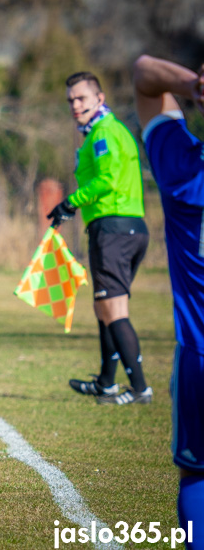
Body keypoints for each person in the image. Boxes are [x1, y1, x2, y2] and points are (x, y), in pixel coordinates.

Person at [132, 54, 204, 548]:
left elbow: (142, 73)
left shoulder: (183, 170)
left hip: (200, 357)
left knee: (197, 474)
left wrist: (195, 82)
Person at [49, 72, 152, 405]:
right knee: (104, 308)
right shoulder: (103, 131)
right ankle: (107, 384)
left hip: (114, 229)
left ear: (99, 98)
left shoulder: (103, 133)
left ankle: (139, 389)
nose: (75, 105)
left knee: (113, 309)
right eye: (71, 100)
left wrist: (70, 202)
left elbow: (107, 180)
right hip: (126, 227)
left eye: (81, 98)